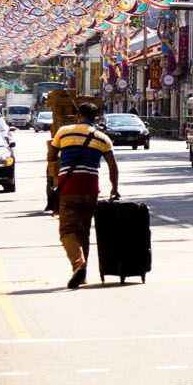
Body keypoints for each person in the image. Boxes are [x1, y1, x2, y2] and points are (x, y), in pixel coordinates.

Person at [48, 100, 120, 289]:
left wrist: (61, 153)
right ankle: (82, 274)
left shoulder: (63, 132)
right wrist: (114, 188)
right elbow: (113, 166)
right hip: (90, 189)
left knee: (66, 231)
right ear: (96, 118)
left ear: (78, 115)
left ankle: (78, 265)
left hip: (69, 188)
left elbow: (51, 157)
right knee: (83, 231)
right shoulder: (103, 138)